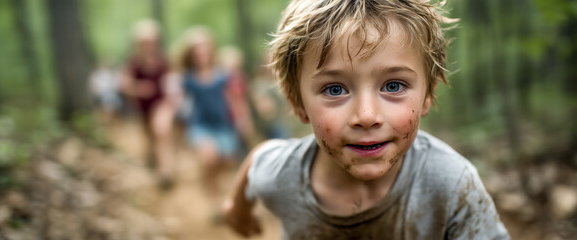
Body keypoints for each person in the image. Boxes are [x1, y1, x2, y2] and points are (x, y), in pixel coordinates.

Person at [222, 0, 510, 239]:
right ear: (298, 104)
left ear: (427, 95)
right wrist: (237, 209)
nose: (366, 116)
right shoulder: (283, 174)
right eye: (335, 89)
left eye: (393, 86)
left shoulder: (450, 184)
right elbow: (259, 160)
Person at [181, 27, 241, 198]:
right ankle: (211, 197)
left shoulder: (222, 76)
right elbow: (180, 104)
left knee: (228, 162)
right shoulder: (188, 79)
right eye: (197, 51)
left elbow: (232, 100)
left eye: (205, 50)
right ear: (191, 55)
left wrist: (239, 121)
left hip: (222, 125)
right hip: (200, 125)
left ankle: (213, 182)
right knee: (209, 158)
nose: (202, 54)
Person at [121, 19, 175, 186]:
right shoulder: (133, 63)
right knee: (150, 136)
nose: (148, 45)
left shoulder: (163, 61)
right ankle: (152, 160)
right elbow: (124, 85)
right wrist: (138, 89)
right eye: (144, 42)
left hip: (162, 103)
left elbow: (174, 81)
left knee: (162, 131)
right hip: (143, 108)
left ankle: (166, 171)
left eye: (152, 41)